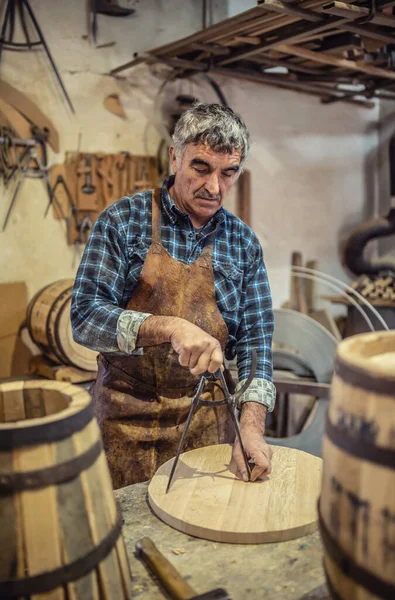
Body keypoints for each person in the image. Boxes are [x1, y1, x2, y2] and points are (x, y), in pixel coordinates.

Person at [71, 102, 275, 489]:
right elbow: (84, 319)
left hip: (204, 425)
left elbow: (256, 345)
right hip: (123, 420)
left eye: (228, 173)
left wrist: (251, 425)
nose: (214, 187)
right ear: (174, 156)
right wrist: (169, 327)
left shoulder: (243, 243)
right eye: (201, 167)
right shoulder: (122, 221)